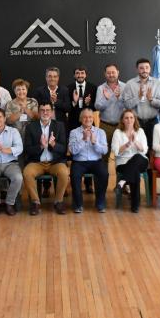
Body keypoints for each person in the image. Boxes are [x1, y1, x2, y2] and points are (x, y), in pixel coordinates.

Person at [22, 102, 70, 215]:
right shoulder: (30, 127)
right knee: (27, 173)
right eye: (42, 110)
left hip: (55, 162)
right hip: (37, 162)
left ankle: (58, 201)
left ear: (52, 112)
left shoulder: (59, 126)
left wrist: (53, 145)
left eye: (47, 110)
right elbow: (28, 149)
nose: (45, 112)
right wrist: (41, 146)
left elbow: (63, 149)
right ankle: (35, 202)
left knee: (64, 172)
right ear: (38, 112)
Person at [68, 108, 109, 213]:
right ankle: (78, 204)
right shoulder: (74, 132)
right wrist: (83, 140)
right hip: (79, 162)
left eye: (90, 117)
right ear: (81, 119)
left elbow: (104, 150)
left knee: (104, 173)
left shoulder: (100, 132)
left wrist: (95, 143)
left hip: (96, 161)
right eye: (85, 117)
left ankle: (100, 202)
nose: (88, 119)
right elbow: (72, 151)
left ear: (93, 118)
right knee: (74, 175)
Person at [122, 58, 160, 148]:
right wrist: (138, 97)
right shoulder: (130, 84)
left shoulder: (157, 83)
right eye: (141, 68)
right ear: (137, 69)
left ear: (150, 69)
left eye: (147, 67)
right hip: (136, 122)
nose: (144, 70)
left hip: (153, 122)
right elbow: (126, 105)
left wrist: (151, 100)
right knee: (137, 147)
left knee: (154, 147)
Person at [111, 109, 149, 213]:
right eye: (126, 118)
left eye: (131, 117)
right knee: (134, 171)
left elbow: (144, 150)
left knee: (137, 157)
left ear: (134, 119)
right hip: (123, 163)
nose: (129, 120)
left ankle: (122, 181)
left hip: (141, 161)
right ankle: (135, 206)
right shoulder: (117, 133)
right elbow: (115, 151)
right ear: (122, 120)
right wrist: (128, 144)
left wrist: (135, 141)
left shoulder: (140, 131)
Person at [67, 65, 95, 193]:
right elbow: (67, 107)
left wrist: (89, 104)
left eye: (82, 73)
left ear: (86, 75)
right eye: (77, 73)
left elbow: (95, 107)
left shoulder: (92, 88)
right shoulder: (68, 88)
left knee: (89, 149)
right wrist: (73, 102)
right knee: (76, 151)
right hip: (73, 124)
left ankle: (89, 184)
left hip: (89, 123)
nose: (80, 75)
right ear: (74, 75)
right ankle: (76, 181)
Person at [94, 63, 126, 145]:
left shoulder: (125, 87)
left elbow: (129, 106)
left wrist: (119, 97)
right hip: (105, 126)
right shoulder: (101, 88)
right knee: (104, 152)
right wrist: (106, 99)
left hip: (121, 125)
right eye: (108, 73)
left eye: (113, 72)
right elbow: (97, 107)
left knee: (121, 151)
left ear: (118, 72)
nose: (111, 75)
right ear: (105, 74)